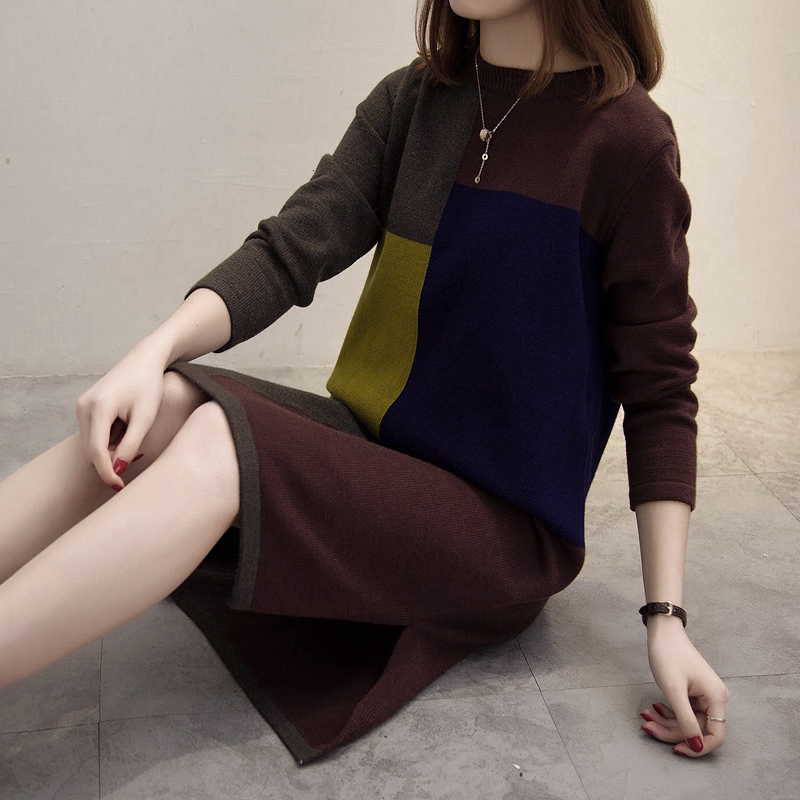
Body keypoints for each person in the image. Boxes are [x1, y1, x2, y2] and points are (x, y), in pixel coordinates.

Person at [0, 0, 729, 763]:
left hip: (501, 532)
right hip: (380, 456)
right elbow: (289, 249)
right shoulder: (418, 100)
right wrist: (152, 353)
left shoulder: (628, 142)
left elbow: (660, 388)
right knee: (163, 407)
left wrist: (666, 618)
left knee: (219, 442)